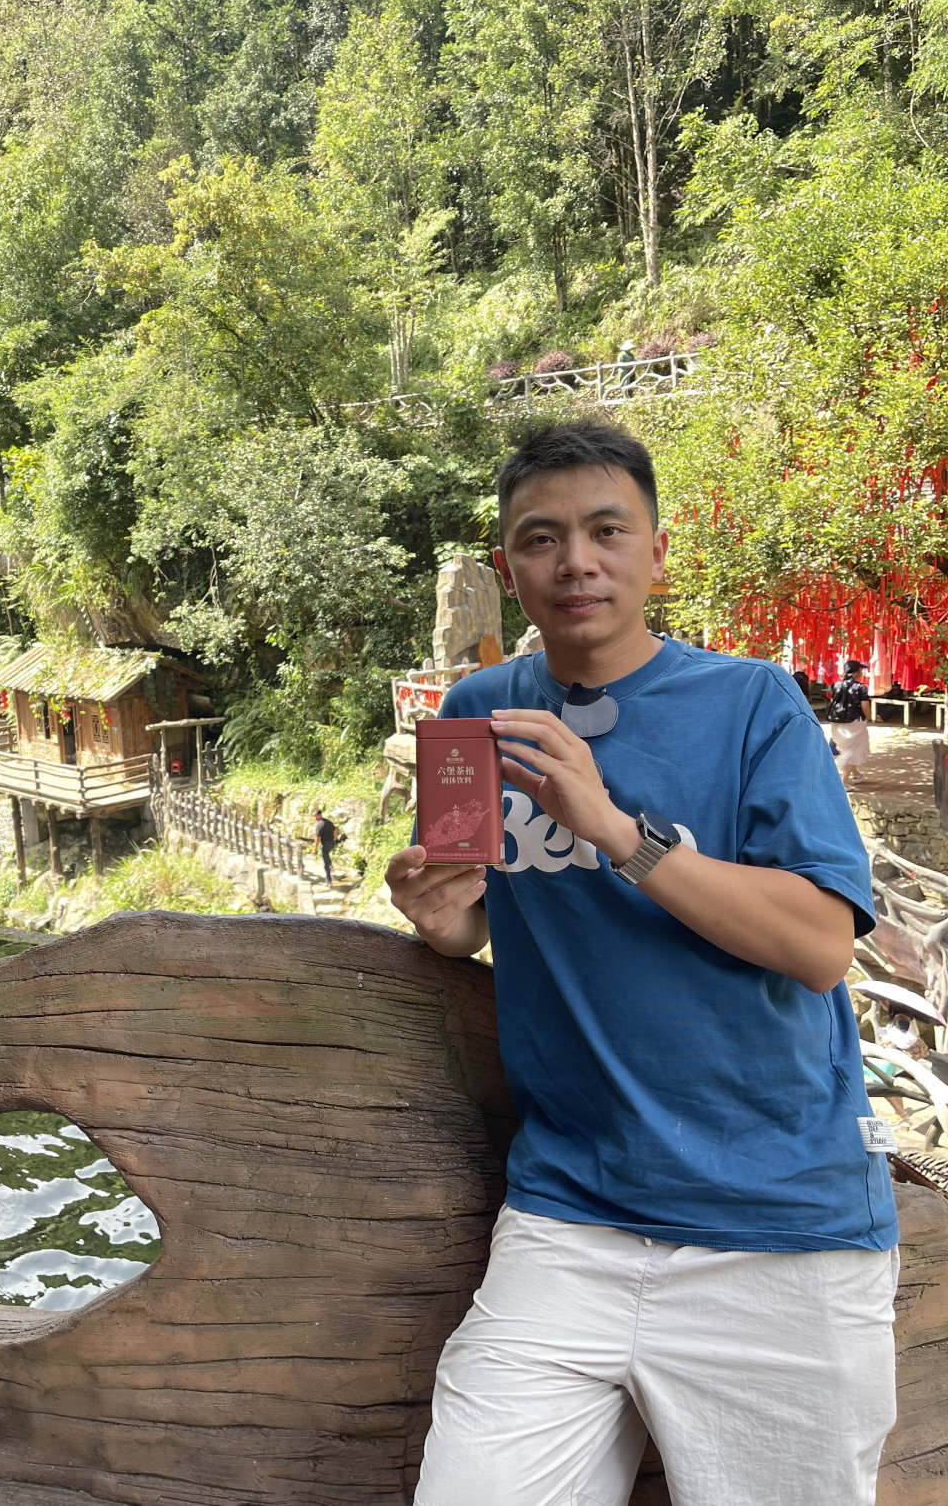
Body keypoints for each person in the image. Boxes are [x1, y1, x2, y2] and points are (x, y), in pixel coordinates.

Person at [385, 418, 897, 1506]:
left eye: (606, 531)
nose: (576, 561)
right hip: (568, 1213)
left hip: (778, 1220)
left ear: (655, 554)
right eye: (542, 538)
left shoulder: (752, 703)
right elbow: (474, 919)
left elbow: (818, 945)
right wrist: (438, 918)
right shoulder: (477, 713)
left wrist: (621, 832)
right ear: (507, 569)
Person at [828, 658, 871, 788]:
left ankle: (857, 775)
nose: (862, 672)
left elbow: (832, 703)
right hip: (854, 722)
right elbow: (865, 706)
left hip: (837, 722)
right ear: (857, 672)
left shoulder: (835, 686)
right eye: (861, 670)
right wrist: (867, 718)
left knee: (847, 749)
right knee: (853, 751)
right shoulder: (861, 688)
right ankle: (843, 782)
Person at [312, 807, 338, 886]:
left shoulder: (319, 825)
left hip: (325, 844)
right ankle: (331, 865)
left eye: (315, 816)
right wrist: (335, 839)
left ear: (319, 815)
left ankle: (328, 881)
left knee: (325, 864)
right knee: (326, 855)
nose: (314, 818)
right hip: (332, 843)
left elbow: (317, 838)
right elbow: (335, 830)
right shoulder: (328, 821)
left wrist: (314, 849)